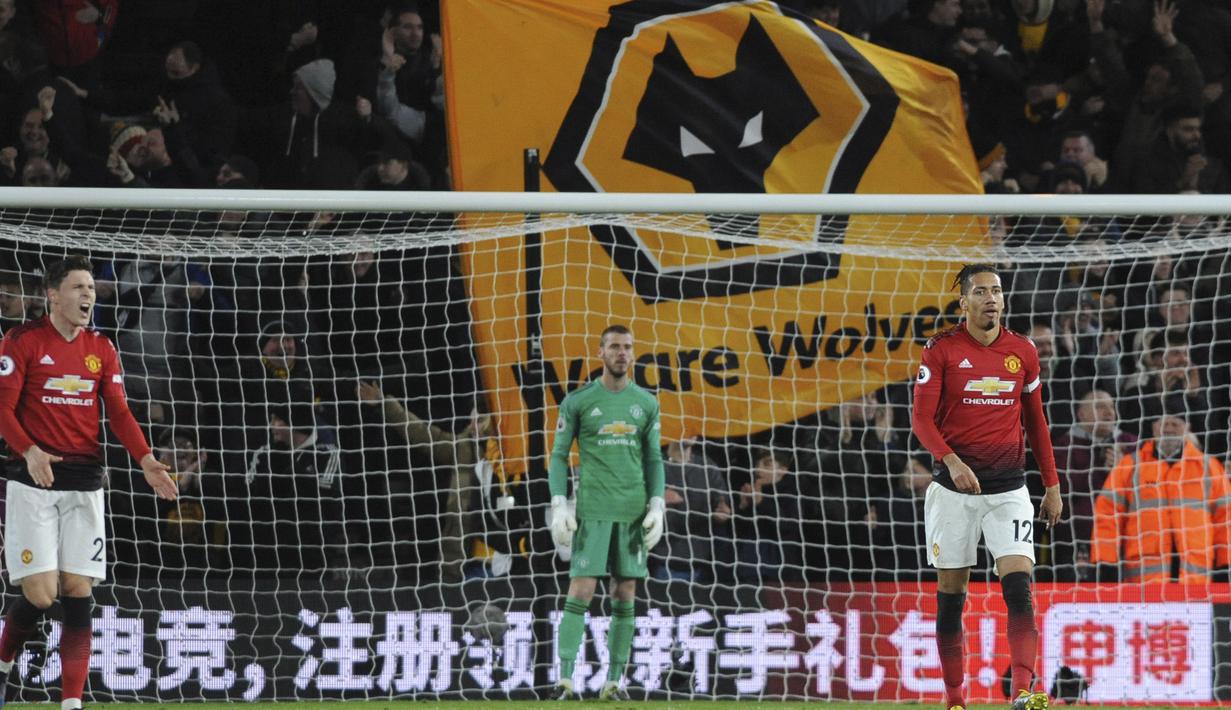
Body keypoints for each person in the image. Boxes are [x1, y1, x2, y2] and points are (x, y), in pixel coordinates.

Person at [0, 256, 177, 710]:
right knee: (40, 595)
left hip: (84, 483)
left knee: (79, 591)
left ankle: (72, 704)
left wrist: (145, 459)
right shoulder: (21, 341)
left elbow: (118, 411)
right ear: (52, 294)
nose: (88, 296)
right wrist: (30, 450)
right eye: (78, 287)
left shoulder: (101, 347)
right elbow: (2, 408)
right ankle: (2, 663)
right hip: (33, 480)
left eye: (92, 289)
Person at [911, 264, 1061, 710]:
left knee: (1019, 586)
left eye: (996, 290)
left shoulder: (1023, 351)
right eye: (981, 291)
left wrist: (1051, 484)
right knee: (952, 597)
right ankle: (955, 699)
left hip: (1009, 490)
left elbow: (1035, 421)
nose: (991, 298)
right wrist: (951, 462)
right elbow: (920, 419)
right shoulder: (940, 350)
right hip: (953, 492)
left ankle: (1022, 693)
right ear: (964, 303)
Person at [548, 325, 664, 701]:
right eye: (614, 346)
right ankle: (564, 679)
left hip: (631, 513)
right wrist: (559, 502)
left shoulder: (646, 403)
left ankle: (613, 682)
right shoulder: (579, 401)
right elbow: (558, 456)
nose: (622, 353)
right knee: (581, 590)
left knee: (625, 595)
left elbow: (653, 459)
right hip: (593, 511)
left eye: (628, 347)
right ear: (600, 352)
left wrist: (658, 503)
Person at [1091, 397, 1230, 583]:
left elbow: (1226, 518)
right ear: (1154, 427)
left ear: (1187, 427)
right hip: (1143, 584)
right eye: (1164, 422)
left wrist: (1225, 563)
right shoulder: (1130, 466)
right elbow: (1108, 514)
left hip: (1197, 583)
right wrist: (1105, 560)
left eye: (1176, 423)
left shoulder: (1209, 468)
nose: (1169, 428)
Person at [1050, 389, 1138, 580]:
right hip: (1075, 538)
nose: (1108, 412)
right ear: (1081, 415)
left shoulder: (1131, 443)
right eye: (1100, 407)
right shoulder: (1063, 444)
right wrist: (1101, 469)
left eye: (1111, 407)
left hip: (1122, 537)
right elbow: (1064, 488)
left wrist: (1122, 470)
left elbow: (1146, 489)